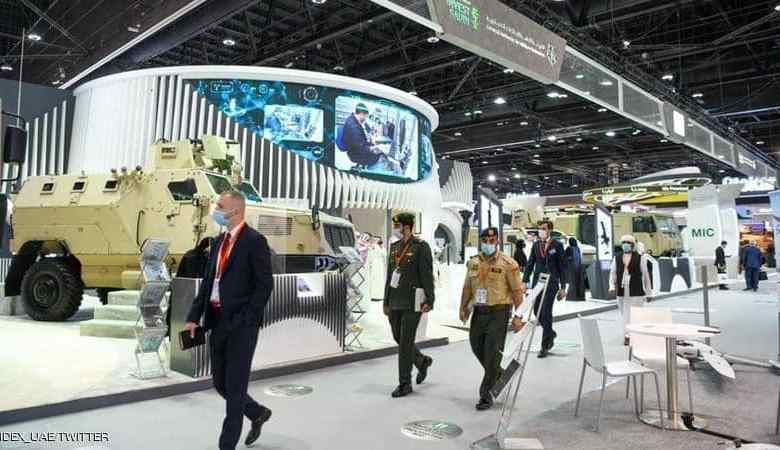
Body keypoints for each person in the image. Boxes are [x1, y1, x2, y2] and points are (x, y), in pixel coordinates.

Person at [184, 191, 275, 450]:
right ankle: (257, 412)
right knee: (220, 383)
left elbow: (264, 285)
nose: (215, 209)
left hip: (242, 326)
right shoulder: (218, 242)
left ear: (235, 211)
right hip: (217, 321)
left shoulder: (255, 241)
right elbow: (208, 283)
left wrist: (247, 318)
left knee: (235, 388)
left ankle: (226, 445)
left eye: (220, 206)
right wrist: (193, 317)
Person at [459, 227, 525, 410]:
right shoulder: (473, 262)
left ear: (497, 241)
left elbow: (517, 291)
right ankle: (500, 374)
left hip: (499, 312)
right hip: (479, 312)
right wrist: (463, 307)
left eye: (492, 240)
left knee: (492, 353)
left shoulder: (508, 264)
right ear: (481, 241)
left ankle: (486, 394)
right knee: (476, 346)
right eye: (485, 241)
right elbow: (467, 287)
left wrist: (519, 316)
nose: (488, 243)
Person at [384, 212, 435, 398]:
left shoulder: (421, 247)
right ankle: (421, 361)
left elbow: (427, 275)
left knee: (405, 342)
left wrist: (430, 299)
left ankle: (404, 383)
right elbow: (390, 276)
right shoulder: (394, 247)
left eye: (397, 226)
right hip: (395, 300)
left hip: (413, 301)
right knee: (398, 337)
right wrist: (386, 300)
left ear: (406, 227)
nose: (394, 229)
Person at [522, 219, 567, 358]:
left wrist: (563, 287)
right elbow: (530, 263)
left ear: (549, 230)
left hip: (551, 283)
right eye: (539, 228)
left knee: (546, 312)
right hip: (538, 283)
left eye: (543, 228)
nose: (541, 231)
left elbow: (562, 266)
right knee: (537, 311)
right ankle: (550, 333)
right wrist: (525, 280)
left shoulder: (557, 245)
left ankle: (545, 345)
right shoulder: (536, 245)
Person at [609, 235, 653, 344]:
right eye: (624, 242)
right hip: (622, 290)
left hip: (636, 290)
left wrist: (649, 293)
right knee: (625, 315)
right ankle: (627, 335)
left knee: (635, 314)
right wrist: (612, 286)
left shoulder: (640, 258)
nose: (626, 244)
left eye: (628, 242)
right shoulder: (617, 257)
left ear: (633, 245)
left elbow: (646, 276)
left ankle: (632, 335)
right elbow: (613, 273)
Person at [341, 103, 381, 167]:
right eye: (365, 117)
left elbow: (359, 141)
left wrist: (371, 145)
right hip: (355, 154)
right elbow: (360, 148)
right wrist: (373, 148)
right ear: (362, 114)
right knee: (378, 154)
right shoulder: (354, 127)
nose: (365, 119)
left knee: (374, 146)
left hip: (353, 149)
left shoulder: (351, 119)